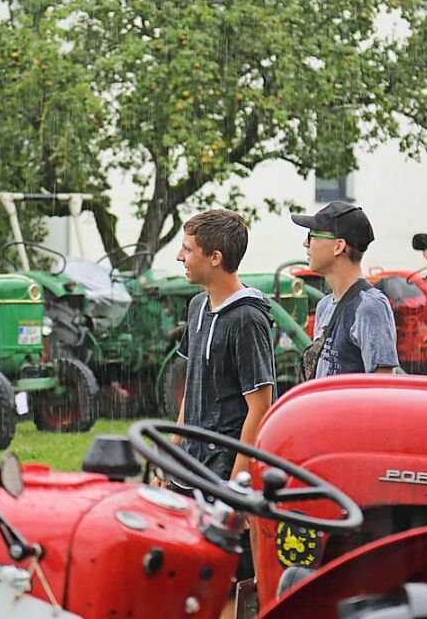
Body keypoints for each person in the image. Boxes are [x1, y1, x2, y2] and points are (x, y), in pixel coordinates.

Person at [170, 209, 275, 593]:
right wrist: (176, 447)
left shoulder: (247, 319)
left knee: (226, 585)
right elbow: (193, 383)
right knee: (182, 576)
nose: (181, 257)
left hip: (223, 475)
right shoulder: (197, 306)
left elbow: (260, 407)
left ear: (215, 258)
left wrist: (237, 487)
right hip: (188, 469)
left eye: (187, 249)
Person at [292, 201, 399, 378]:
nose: (305, 243)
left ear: (338, 246)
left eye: (312, 235)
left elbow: (383, 388)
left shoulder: (370, 307)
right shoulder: (324, 306)